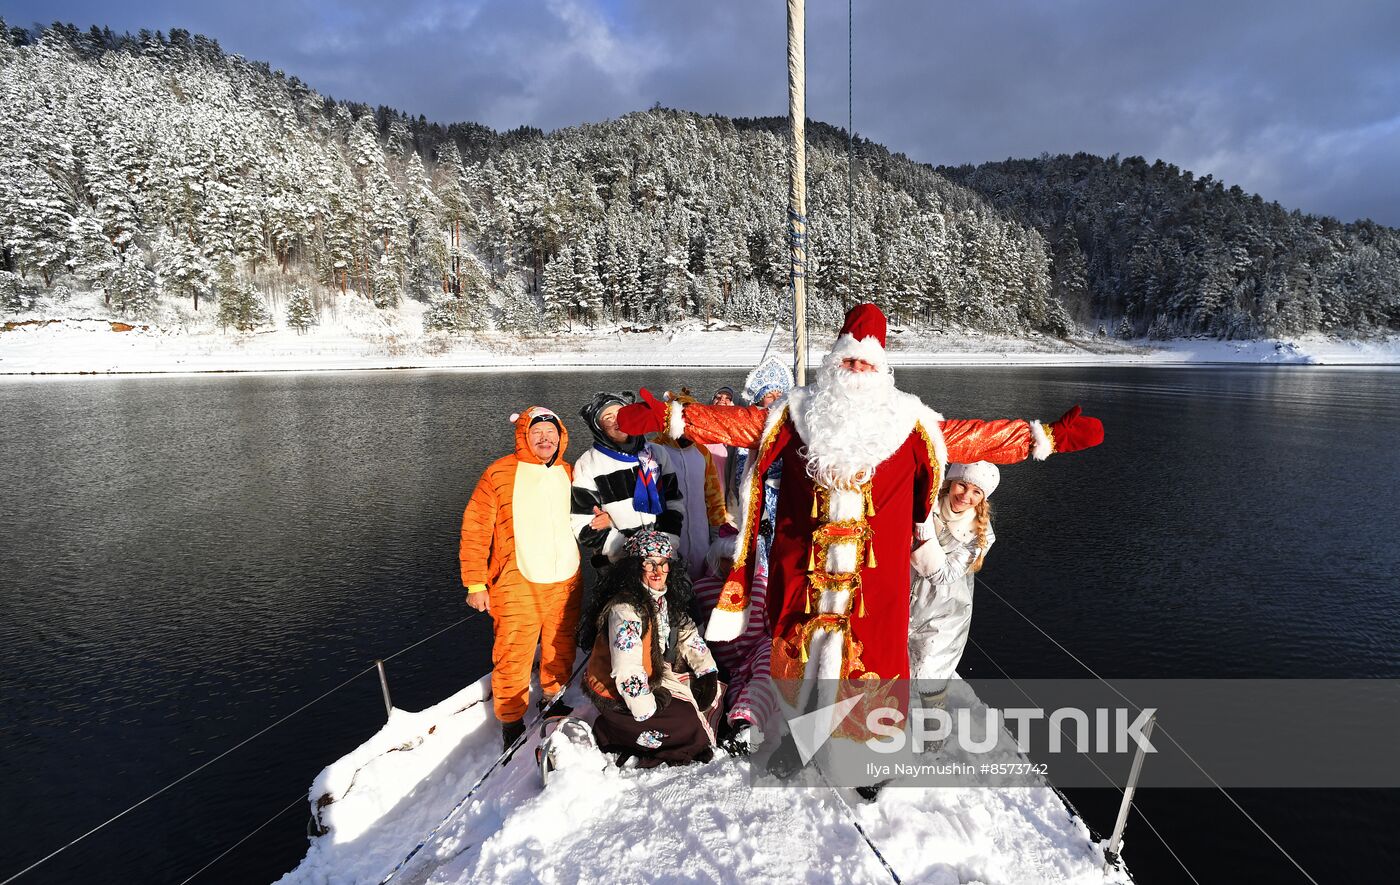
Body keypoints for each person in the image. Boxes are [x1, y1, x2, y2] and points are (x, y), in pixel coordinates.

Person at [616, 302, 1104, 777]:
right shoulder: (797, 412)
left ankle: (871, 760)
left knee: (870, 666)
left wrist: (1047, 437)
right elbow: (735, 426)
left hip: (873, 580)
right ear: (835, 361)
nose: (854, 368)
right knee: (803, 662)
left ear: (880, 368)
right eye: (848, 359)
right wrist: (670, 418)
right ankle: (798, 741)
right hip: (806, 570)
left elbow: (976, 438)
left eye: (864, 362)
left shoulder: (910, 421)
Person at [460, 407, 584, 750]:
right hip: (517, 580)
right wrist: (475, 582)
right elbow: (475, 528)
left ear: (561, 436)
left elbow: (587, 514)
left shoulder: (569, 472)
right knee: (512, 652)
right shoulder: (500, 473)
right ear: (524, 436)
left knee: (561, 644)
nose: (545, 439)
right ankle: (512, 719)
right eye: (536, 433)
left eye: (551, 433)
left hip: (566, 579)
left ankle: (553, 699)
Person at [580, 530, 722, 768]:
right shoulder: (626, 608)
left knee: (715, 696)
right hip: (621, 692)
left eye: (664, 564)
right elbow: (627, 667)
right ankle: (612, 732)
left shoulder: (665, 598)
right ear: (636, 566)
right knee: (686, 721)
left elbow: (686, 633)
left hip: (656, 675)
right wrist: (647, 707)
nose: (658, 572)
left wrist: (707, 671)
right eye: (650, 563)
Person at [909, 461, 998, 711]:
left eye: (976, 492)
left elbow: (944, 574)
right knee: (893, 668)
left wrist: (923, 530)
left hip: (944, 614)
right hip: (900, 603)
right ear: (950, 483)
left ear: (983, 498)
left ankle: (933, 741)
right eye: (962, 485)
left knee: (930, 675)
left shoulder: (980, 534)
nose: (966, 496)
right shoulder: (924, 504)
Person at [571, 391, 686, 568]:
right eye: (608, 417)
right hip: (620, 563)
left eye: (621, 413)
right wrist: (625, 549)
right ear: (598, 426)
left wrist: (668, 542)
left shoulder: (657, 453)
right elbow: (583, 523)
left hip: (664, 557)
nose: (617, 420)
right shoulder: (589, 463)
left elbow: (673, 502)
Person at [651, 389, 728, 580]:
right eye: (684, 419)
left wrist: (717, 531)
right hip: (667, 535)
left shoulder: (702, 452)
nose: (688, 425)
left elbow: (714, 495)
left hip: (701, 533)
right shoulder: (655, 450)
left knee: (701, 581)